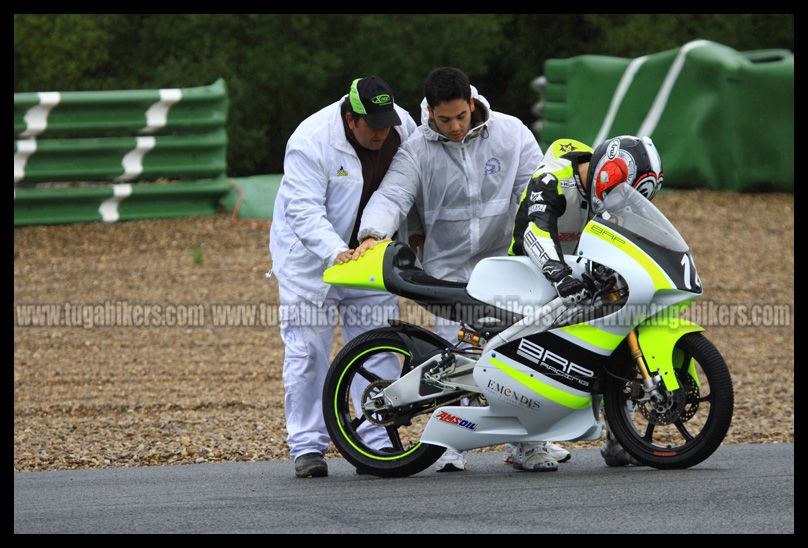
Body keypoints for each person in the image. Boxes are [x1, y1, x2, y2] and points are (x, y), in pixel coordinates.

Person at [351, 66, 571, 472]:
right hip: (449, 273)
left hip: (506, 266)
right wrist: (371, 234)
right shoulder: (416, 149)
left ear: (472, 103)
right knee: (456, 361)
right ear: (429, 112)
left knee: (523, 353)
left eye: (461, 116)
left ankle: (528, 444)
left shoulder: (512, 133)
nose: (454, 127)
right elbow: (394, 194)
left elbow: (534, 190)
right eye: (444, 119)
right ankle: (450, 443)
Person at [268, 76, 417, 478]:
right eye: (374, 126)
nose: (383, 133)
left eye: (387, 124)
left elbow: (407, 186)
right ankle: (307, 446)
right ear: (351, 119)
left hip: (369, 258)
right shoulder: (310, 139)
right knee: (307, 354)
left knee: (378, 348)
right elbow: (303, 212)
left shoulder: (401, 125)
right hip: (310, 265)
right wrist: (337, 252)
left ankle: (374, 439)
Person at [508, 134, 664, 469]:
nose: (619, 202)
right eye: (619, 193)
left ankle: (621, 438)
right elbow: (533, 231)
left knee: (622, 333)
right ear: (608, 175)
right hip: (529, 275)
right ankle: (525, 443)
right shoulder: (552, 177)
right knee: (537, 354)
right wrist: (559, 274)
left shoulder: (617, 192)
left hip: (582, 277)